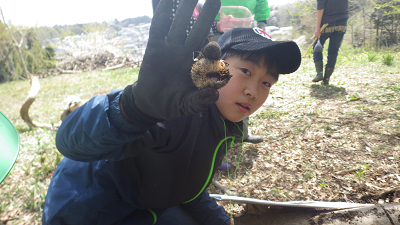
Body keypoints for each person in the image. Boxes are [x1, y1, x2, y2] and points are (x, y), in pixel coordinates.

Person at [42, 0, 301, 224]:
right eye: (246, 71)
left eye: (267, 82)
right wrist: (134, 109)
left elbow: (187, 181)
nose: (254, 91)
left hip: (147, 201)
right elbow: (70, 143)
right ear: (214, 67)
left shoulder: (225, 124)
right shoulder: (174, 113)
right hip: (88, 210)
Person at [311, 0, 349, 85]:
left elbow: (320, 9)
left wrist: (317, 28)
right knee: (333, 51)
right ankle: (326, 79)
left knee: (316, 47)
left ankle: (319, 73)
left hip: (327, 24)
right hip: (342, 24)